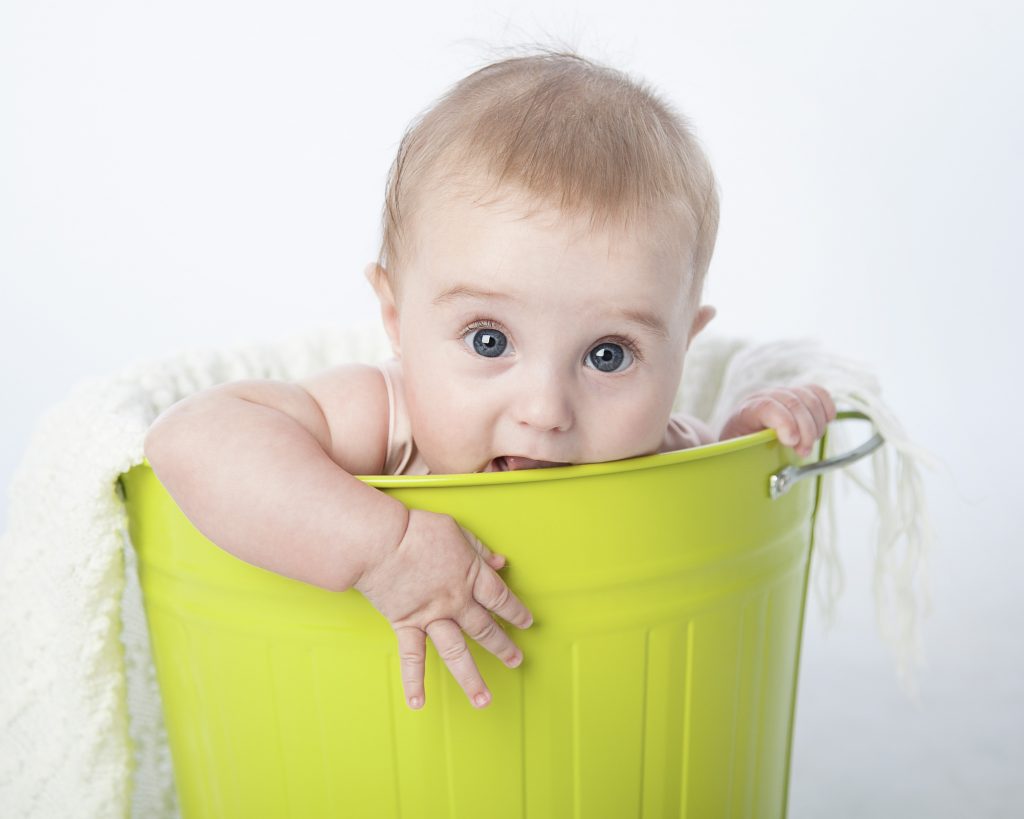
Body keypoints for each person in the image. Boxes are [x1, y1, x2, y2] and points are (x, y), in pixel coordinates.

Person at [144, 49, 836, 713]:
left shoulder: (659, 445)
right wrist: (381, 547)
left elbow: (711, 516)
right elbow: (189, 439)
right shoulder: (384, 420)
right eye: (489, 340)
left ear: (683, 346)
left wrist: (750, 442)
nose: (544, 410)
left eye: (608, 355)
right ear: (395, 316)